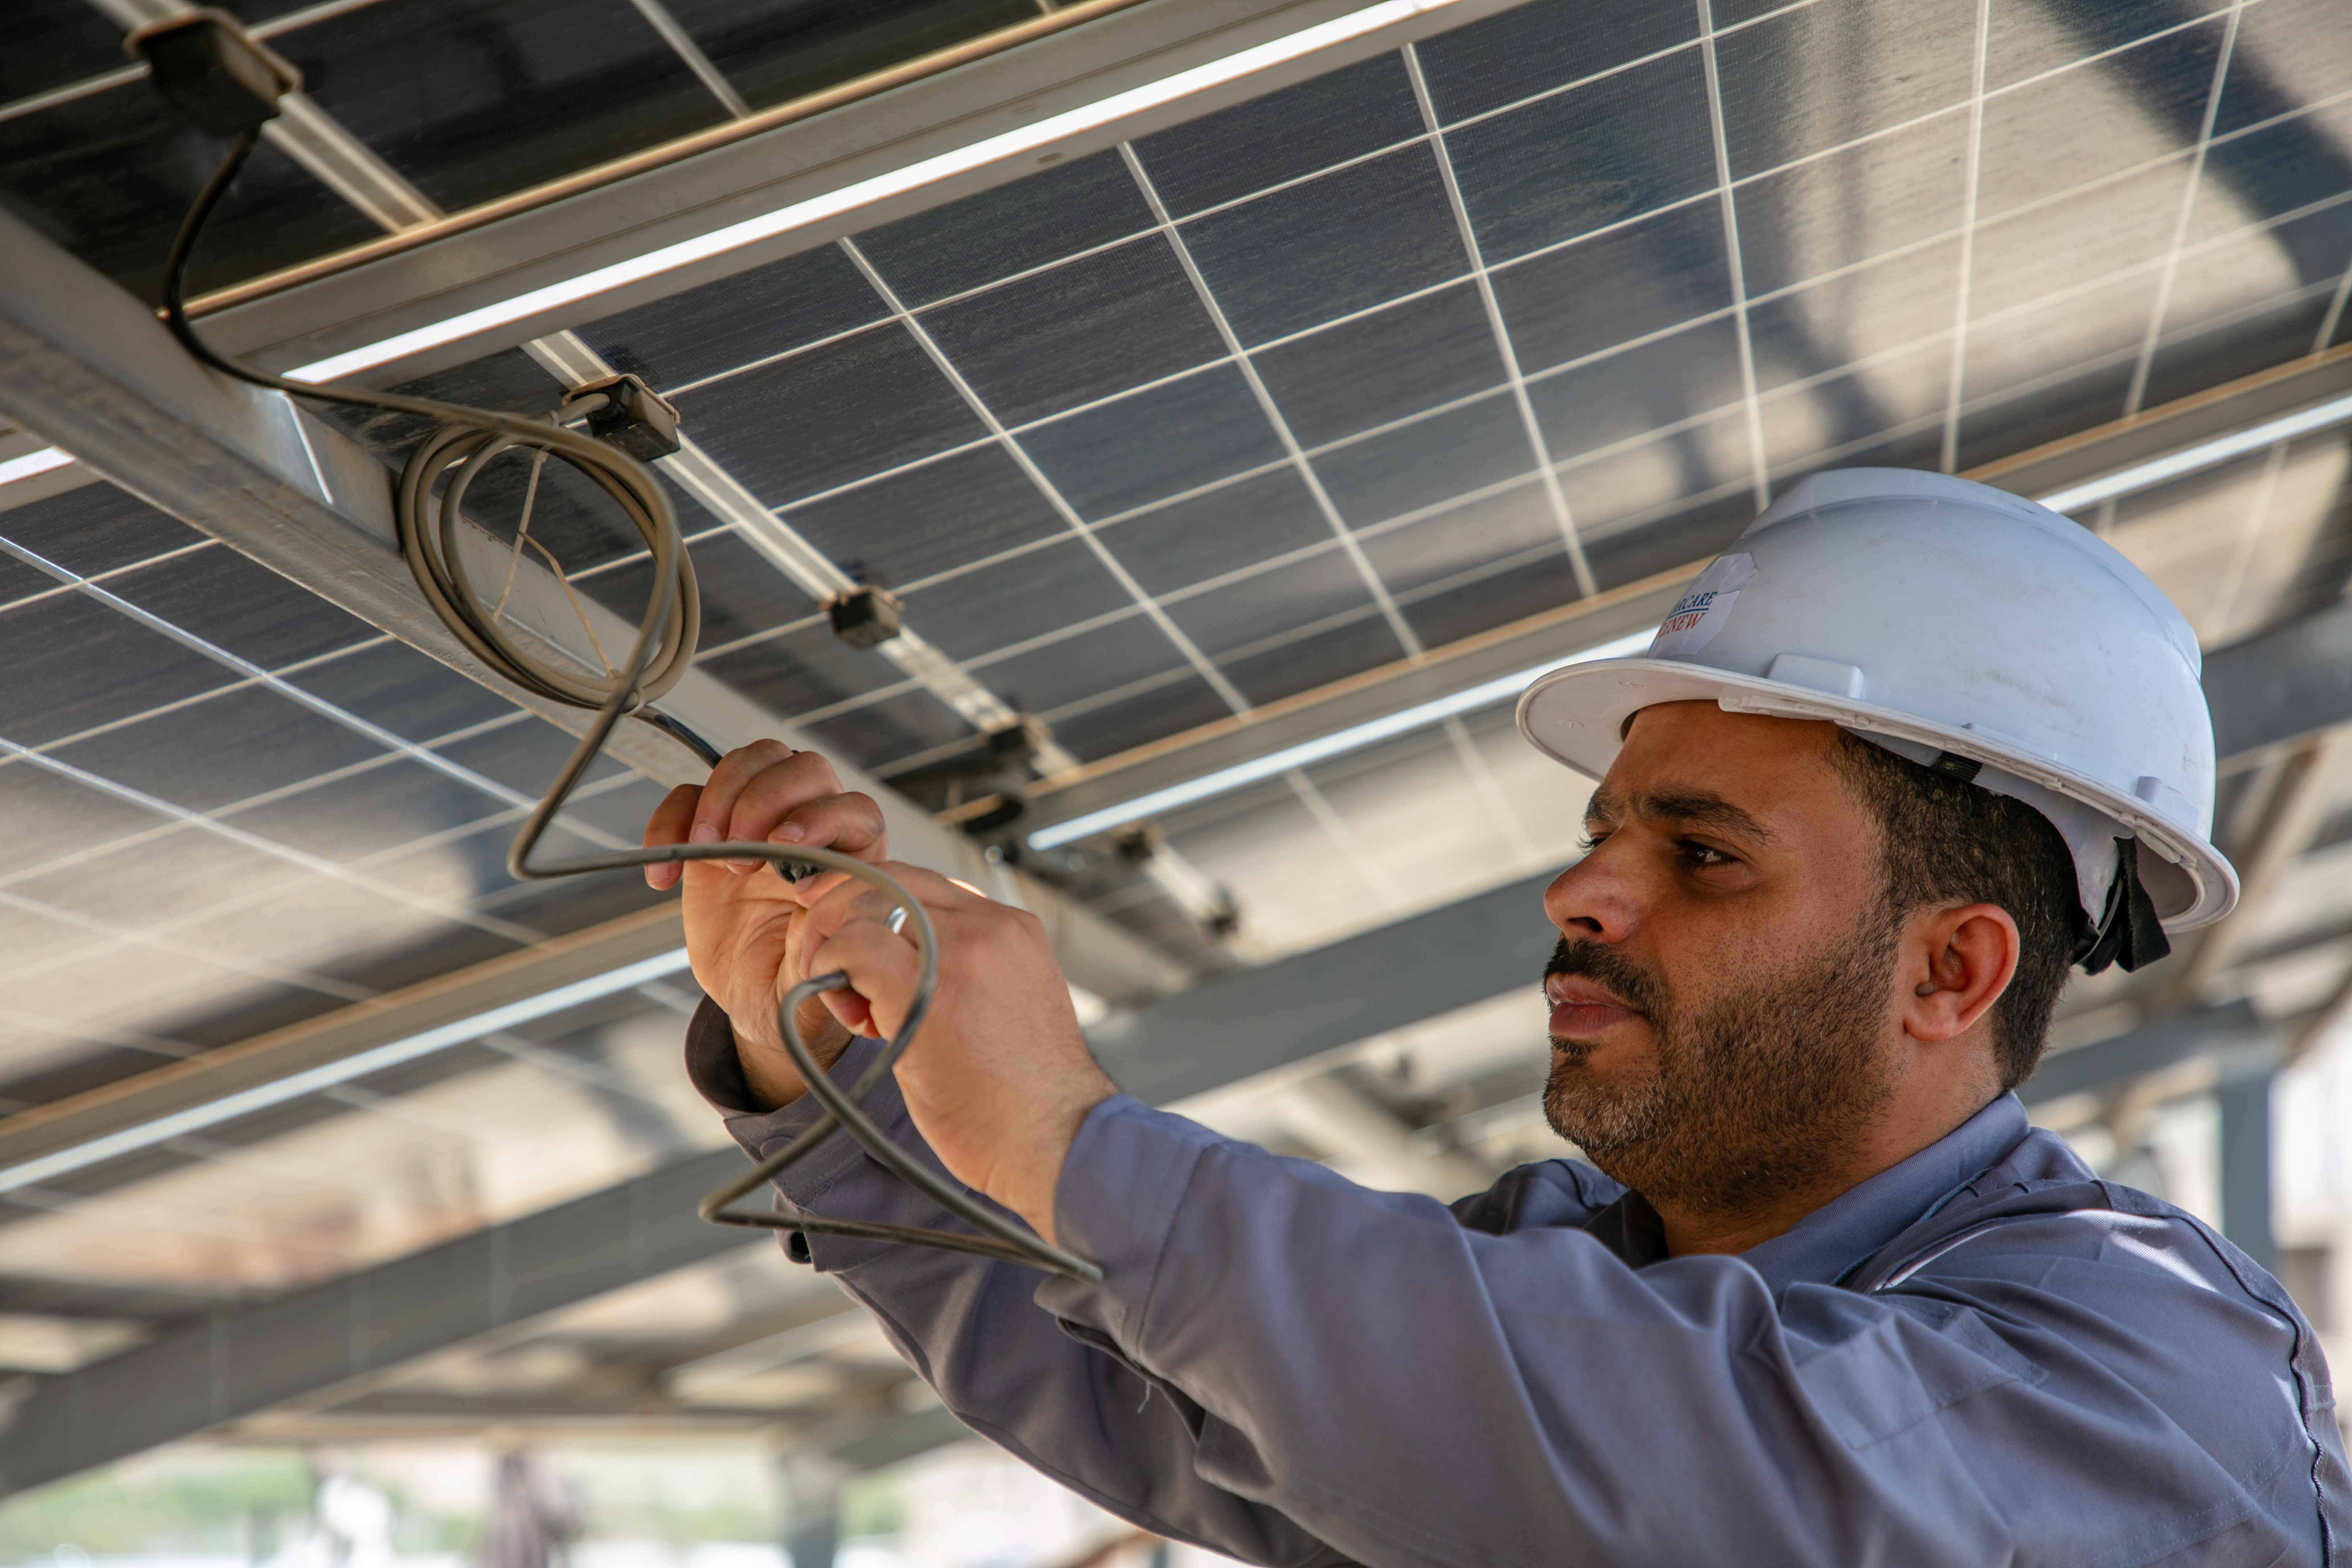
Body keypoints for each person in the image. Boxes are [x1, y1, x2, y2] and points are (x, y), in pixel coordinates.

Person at [644, 470, 2347, 1565]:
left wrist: (1070, 1141)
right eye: (1602, 831)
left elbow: (1698, 1472)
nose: (1583, 895)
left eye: (1700, 853)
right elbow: (1157, 1396)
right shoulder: (1588, 1265)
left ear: (1950, 974)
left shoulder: (2153, 1359)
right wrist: (823, 1071)